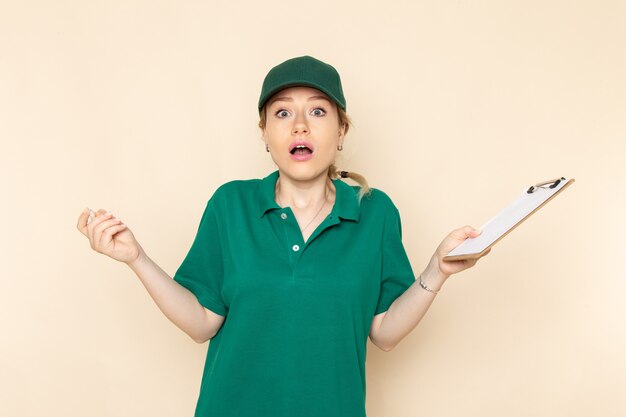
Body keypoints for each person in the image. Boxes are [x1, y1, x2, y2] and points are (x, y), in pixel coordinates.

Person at [76, 55, 490, 417]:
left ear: (341, 131)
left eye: (318, 112)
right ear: (265, 134)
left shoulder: (375, 212)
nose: (300, 127)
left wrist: (437, 271)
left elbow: (383, 332)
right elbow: (202, 322)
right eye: (282, 113)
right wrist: (136, 258)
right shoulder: (230, 205)